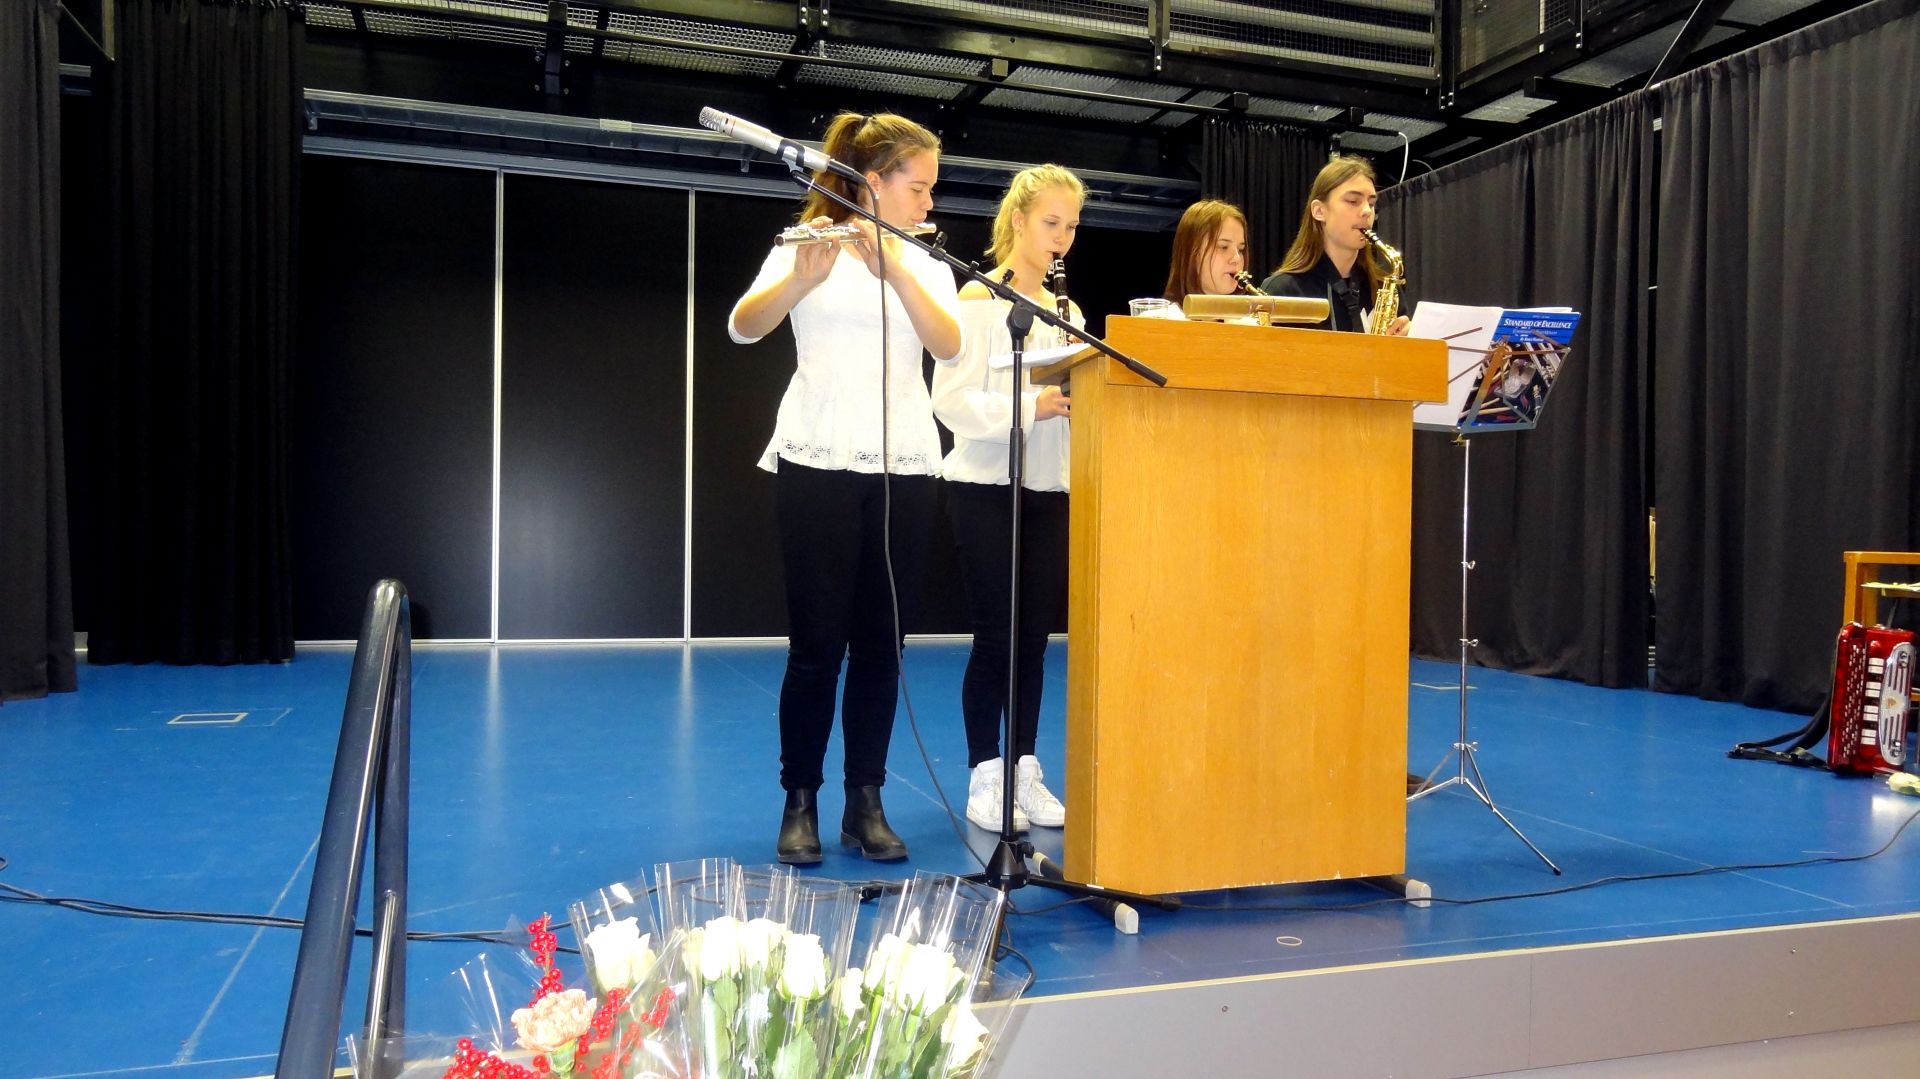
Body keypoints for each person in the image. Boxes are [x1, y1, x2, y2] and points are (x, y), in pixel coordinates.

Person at [727, 111, 963, 865]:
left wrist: (898, 271)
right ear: (873, 181)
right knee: (816, 647)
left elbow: (948, 344)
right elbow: (742, 326)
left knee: (882, 649)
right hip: (818, 459)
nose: (929, 202)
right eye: (918, 187)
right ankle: (800, 800)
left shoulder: (927, 262)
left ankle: (867, 802)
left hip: (905, 470)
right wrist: (799, 280)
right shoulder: (805, 243)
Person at [931, 165, 1084, 833]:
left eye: (1071, 226)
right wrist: (1032, 405)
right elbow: (951, 401)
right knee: (997, 635)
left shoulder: (1070, 312)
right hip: (984, 486)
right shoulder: (977, 298)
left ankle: (1024, 766)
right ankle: (984, 774)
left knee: (1034, 639)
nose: (1062, 238)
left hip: (1049, 488)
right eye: (1052, 223)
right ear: (1018, 221)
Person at [1260, 155, 1412, 336]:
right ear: (1319, 211)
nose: (1367, 211)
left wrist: (1407, 343)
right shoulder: (1282, 291)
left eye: (1371, 204)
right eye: (1353, 201)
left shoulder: (1383, 288)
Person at [1161, 199, 1251, 311]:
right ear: (1191, 252)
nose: (1237, 258)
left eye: (1241, 249)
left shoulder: (1252, 321)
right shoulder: (1156, 319)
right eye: (1223, 247)